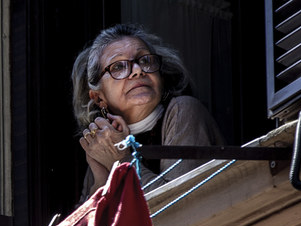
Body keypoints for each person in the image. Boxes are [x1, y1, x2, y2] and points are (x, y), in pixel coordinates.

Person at [72, 23, 225, 200]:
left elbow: (178, 205)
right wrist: (100, 180)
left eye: (145, 60)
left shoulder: (183, 110)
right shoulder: (104, 142)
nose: (137, 71)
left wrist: (120, 160)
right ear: (99, 98)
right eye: (118, 67)